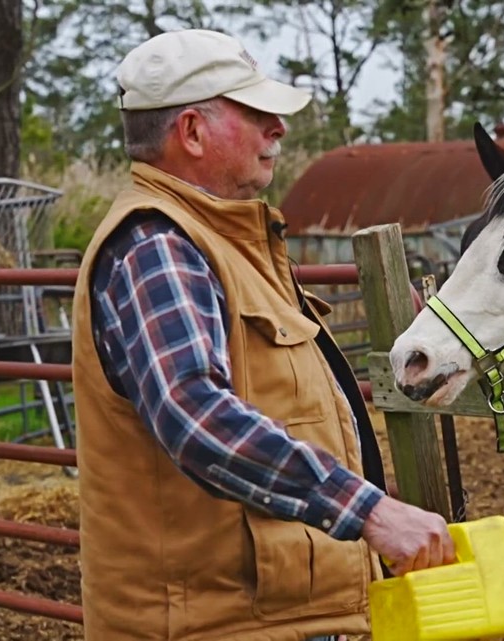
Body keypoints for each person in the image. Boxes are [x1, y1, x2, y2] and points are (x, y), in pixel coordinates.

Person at [70, 29, 456, 641]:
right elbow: (194, 414)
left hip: (267, 615)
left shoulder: (224, 243)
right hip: (218, 624)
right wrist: (370, 511)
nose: (277, 126)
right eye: (255, 111)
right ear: (192, 132)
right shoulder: (159, 248)